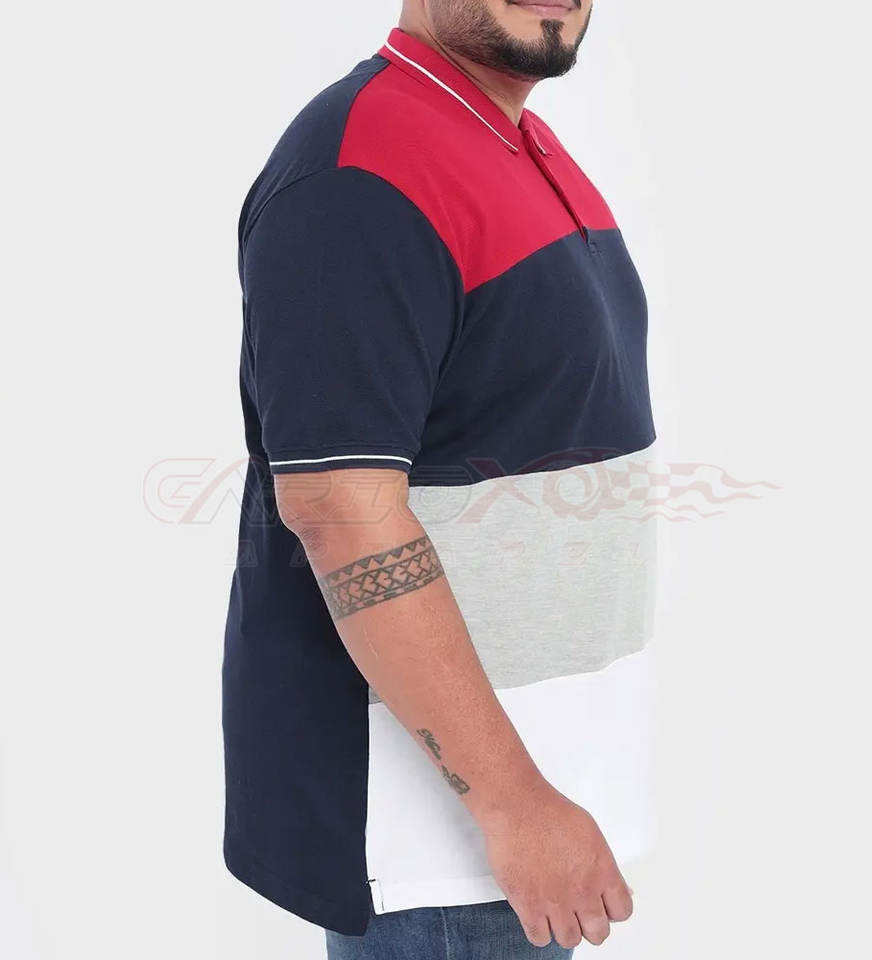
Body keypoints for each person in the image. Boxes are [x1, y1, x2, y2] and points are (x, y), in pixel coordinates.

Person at [223, 1, 657, 956]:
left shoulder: (513, 140)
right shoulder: (361, 173)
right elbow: (338, 510)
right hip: (445, 852)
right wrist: (514, 806)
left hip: (535, 813)